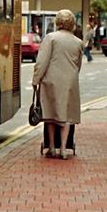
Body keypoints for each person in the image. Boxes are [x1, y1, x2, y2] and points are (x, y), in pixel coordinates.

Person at [31, 9, 82, 160]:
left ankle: (52, 147)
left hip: (51, 81)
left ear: (57, 22)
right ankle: (64, 149)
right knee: (66, 116)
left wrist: (36, 80)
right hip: (70, 82)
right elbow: (78, 65)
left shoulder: (51, 38)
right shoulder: (78, 42)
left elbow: (42, 62)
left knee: (51, 115)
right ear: (72, 23)